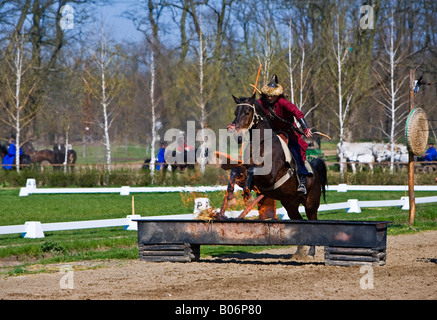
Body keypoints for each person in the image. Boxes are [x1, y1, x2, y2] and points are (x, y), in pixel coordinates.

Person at [257, 74, 313, 194]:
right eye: (268, 95)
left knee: (296, 153)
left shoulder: (283, 103)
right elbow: (249, 107)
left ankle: (302, 181)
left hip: (288, 133)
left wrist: (305, 128)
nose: (270, 98)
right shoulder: (262, 102)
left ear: (277, 95)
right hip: (271, 134)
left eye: (272, 96)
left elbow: (297, 113)